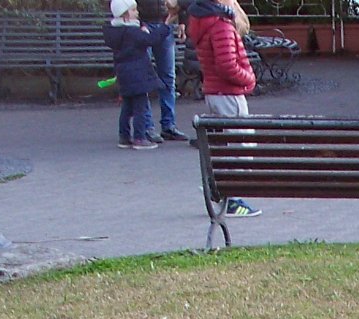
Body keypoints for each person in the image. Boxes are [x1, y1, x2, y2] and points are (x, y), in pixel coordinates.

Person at [187, 0, 261, 216]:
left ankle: (220, 190)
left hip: (213, 91)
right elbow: (227, 64)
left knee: (224, 146)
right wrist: (249, 79)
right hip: (229, 93)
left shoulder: (200, 19)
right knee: (242, 146)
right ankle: (233, 199)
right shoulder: (220, 24)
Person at [104, 0, 162, 150]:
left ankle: (124, 136)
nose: (137, 13)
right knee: (140, 107)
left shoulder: (115, 32)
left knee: (127, 107)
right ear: (126, 15)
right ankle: (140, 137)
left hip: (124, 74)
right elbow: (151, 40)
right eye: (134, 10)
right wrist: (165, 28)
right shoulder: (133, 32)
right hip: (138, 75)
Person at [151, 0, 188, 143]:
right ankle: (147, 126)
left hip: (164, 22)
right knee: (146, 77)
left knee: (168, 77)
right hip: (145, 22)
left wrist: (182, 20)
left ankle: (168, 125)